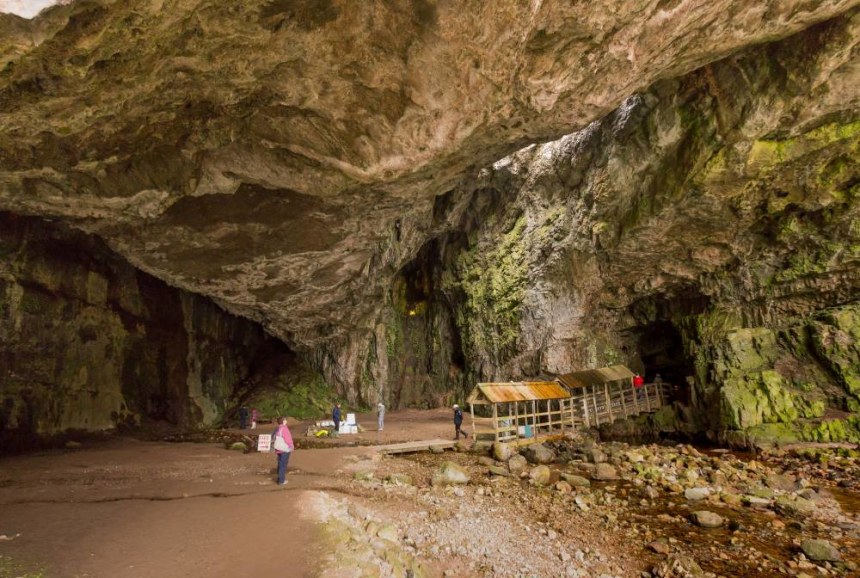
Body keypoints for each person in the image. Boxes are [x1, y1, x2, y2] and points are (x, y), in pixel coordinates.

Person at [271, 416, 294, 485]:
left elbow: (273, 436)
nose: (286, 421)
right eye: (285, 420)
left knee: (280, 463)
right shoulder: (284, 429)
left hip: (278, 449)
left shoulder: (278, 428)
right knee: (283, 465)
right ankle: (281, 480)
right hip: (284, 449)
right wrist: (291, 446)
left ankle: (279, 478)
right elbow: (288, 439)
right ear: (283, 421)